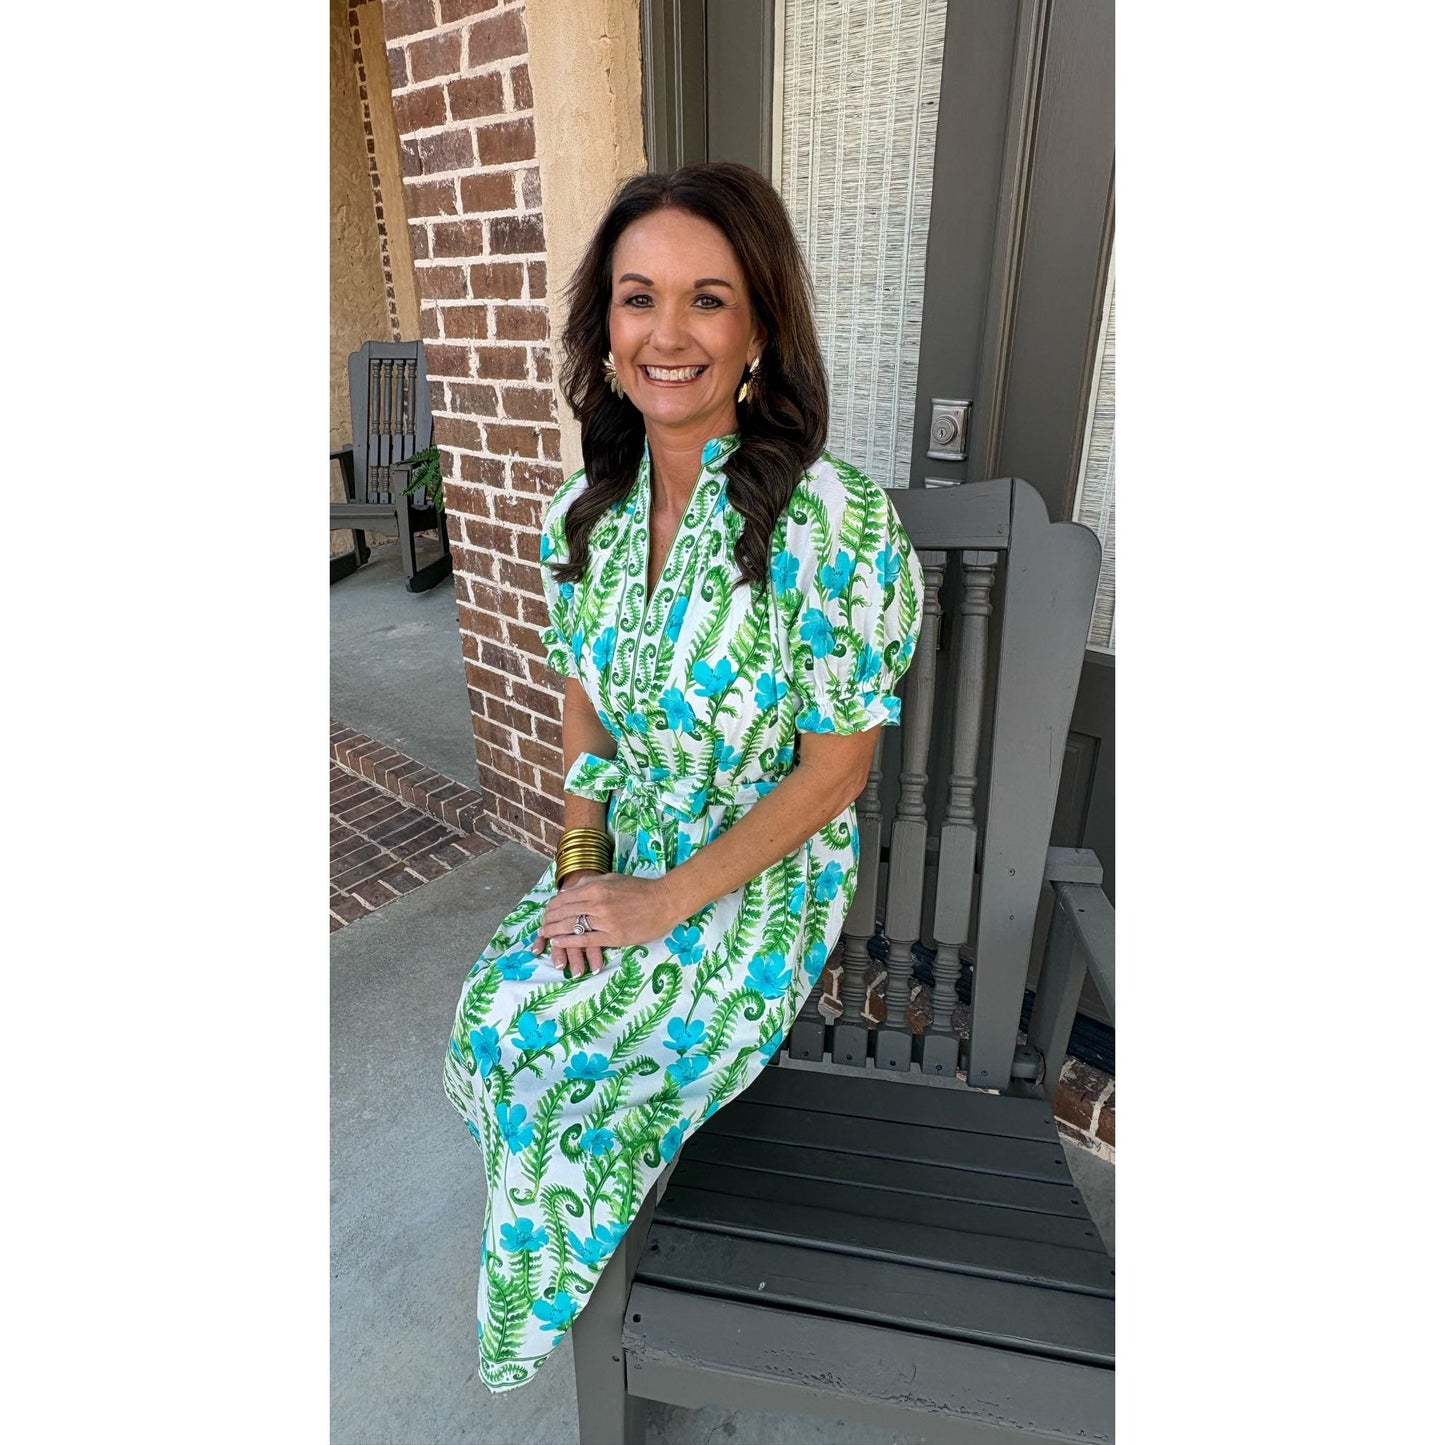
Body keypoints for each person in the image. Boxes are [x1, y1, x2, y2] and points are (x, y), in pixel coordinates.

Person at [442, 161, 924, 1392]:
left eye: (707, 300)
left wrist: (661, 901)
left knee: (548, 1052)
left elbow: (836, 770)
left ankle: (581, 1321)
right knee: (489, 1026)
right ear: (602, 330)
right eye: (635, 297)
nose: (667, 334)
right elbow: (588, 696)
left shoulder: (828, 519)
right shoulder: (585, 512)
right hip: (634, 845)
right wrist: (584, 858)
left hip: (758, 867)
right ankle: (587, 1251)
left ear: (758, 327)